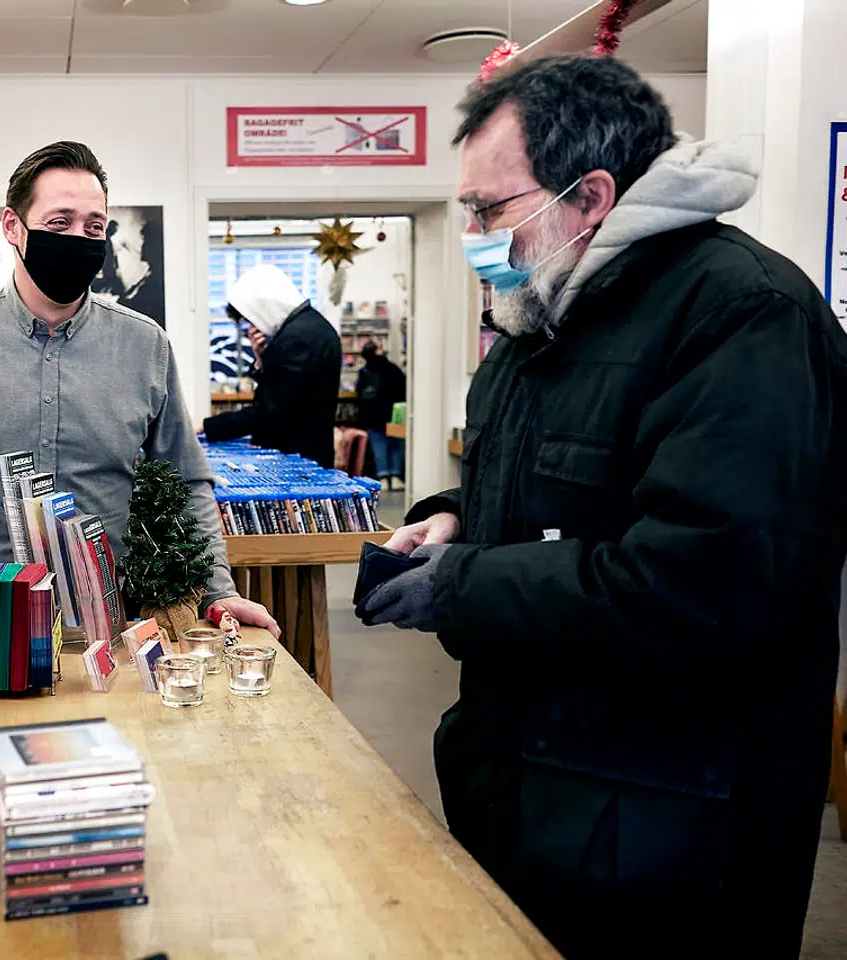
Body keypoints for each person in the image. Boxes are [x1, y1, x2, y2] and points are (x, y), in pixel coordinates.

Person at [357, 55, 845, 958]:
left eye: (490, 209)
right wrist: (456, 518)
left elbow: (706, 585)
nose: (474, 233)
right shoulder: (541, 313)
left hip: (670, 836)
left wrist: (462, 585)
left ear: (588, 196)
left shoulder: (743, 316)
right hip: (534, 794)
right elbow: (562, 485)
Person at [0, 141, 278, 659]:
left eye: (94, 227)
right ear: (12, 227)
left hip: (115, 633)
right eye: (59, 221)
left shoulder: (144, 345)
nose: (79, 239)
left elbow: (187, 480)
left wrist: (219, 591)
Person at [198, 264, 341, 470]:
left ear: (263, 307)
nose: (252, 325)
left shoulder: (296, 338)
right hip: (306, 455)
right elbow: (286, 393)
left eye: (250, 317)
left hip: (295, 462)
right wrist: (261, 358)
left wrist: (205, 426)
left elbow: (269, 411)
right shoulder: (310, 326)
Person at [353, 340, 406, 482]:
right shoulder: (392, 369)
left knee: (379, 445)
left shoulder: (364, 372)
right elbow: (403, 388)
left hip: (372, 416)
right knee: (395, 444)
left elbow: (358, 394)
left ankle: (382, 475)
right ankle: (395, 476)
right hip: (393, 414)